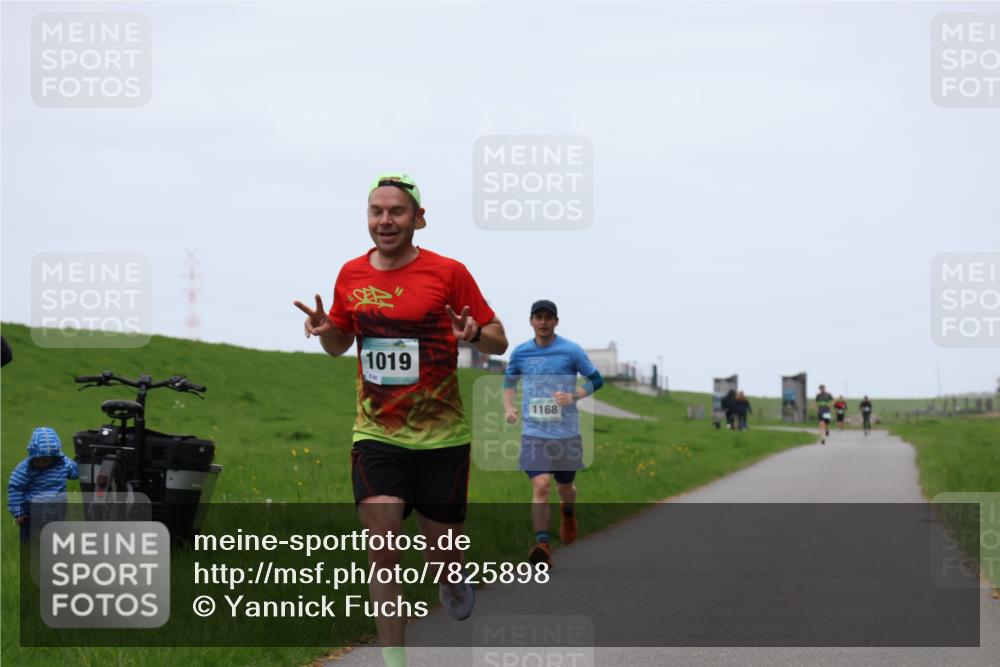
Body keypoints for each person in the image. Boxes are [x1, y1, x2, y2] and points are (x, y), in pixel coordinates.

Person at [294, 173, 508, 667]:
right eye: (376, 211)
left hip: (442, 437)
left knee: (441, 555)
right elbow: (340, 344)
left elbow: (499, 339)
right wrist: (326, 329)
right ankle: (395, 661)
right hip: (377, 433)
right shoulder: (351, 274)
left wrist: (475, 333)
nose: (385, 221)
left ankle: (452, 575)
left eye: (396, 212)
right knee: (382, 546)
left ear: (418, 219)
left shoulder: (449, 272)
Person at [503, 300, 604, 566]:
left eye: (549, 317)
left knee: (565, 488)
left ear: (556, 321)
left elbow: (596, 379)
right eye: (539, 317)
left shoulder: (571, 351)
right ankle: (542, 544)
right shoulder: (521, 352)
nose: (544, 322)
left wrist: (574, 395)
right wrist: (509, 407)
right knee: (541, 485)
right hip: (533, 432)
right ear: (531, 321)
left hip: (566, 433)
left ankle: (568, 512)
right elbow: (509, 380)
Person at [7, 427, 79, 543]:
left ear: (54, 457)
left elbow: (75, 473)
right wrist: (17, 512)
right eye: (39, 460)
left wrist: (79, 462)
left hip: (57, 510)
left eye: (47, 460)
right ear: (33, 455)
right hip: (32, 513)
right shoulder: (25, 469)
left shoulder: (62, 464)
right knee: (30, 540)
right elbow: (15, 489)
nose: (43, 463)